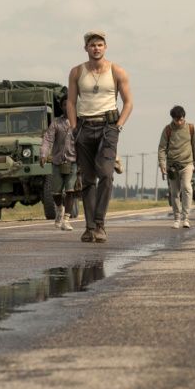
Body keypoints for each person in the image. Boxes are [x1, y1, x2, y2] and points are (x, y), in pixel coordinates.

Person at [68, 30, 133, 243]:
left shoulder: (117, 71)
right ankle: (89, 227)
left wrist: (118, 126)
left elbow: (128, 102)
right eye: (92, 45)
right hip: (84, 127)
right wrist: (74, 127)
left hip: (108, 127)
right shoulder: (77, 72)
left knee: (105, 174)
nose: (96, 48)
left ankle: (100, 224)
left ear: (105, 47)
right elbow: (70, 102)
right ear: (86, 48)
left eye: (100, 45)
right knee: (87, 179)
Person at [158, 105, 195, 229]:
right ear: (173, 119)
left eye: (181, 119)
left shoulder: (190, 128)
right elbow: (162, 148)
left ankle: (186, 218)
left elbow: (194, 146)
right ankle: (177, 218)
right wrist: (162, 164)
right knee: (174, 192)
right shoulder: (167, 130)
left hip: (187, 164)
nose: (179, 122)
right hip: (172, 166)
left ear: (184, 117)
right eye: (177, 120)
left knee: (187, 187)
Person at [41, 95, 78, 231]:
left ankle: (66, 220)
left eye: (69, 105)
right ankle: (59, 209)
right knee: (56, 193)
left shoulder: (78, 123)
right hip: (57, 162)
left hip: (73, 162)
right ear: (61, 107)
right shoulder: (56, 123)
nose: (66, 107)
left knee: (70, 190)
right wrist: (44, 154)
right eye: (64, 105)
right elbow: (48, 139)